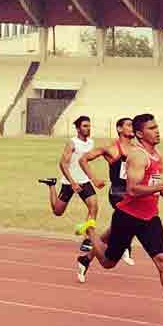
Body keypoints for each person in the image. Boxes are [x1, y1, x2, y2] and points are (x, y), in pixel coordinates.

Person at [75, 113, 163, 326]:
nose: (157, 131)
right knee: (107, 262)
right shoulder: (138, 156)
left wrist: (162, 192)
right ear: (140, 134)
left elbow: (148, 182)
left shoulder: (157, 155)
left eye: (157, 126)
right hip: (128, 217)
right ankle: (89, 231)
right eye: (152, 128)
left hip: (150, 217)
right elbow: (132, 190)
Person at [38, 116, 101, 280]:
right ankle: (51, 185)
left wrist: (93, 178)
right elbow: (63, 164)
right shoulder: (72, 143)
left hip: (84, 181)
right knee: (58, 211)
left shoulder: (91, 143)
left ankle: (88, 238)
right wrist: (72, 182)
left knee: (93, 206)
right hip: (69, 181)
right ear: (78, 128)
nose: (88, 128)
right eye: (85, 126)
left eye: (89, 126)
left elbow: (86, 163)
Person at [78, 117, 137, 269]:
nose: (132, 128)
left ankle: (87, 258)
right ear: (119, 129)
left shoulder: (138, 150)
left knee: (115, 228)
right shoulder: (110, 148)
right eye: (129, 125)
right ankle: (125, 247)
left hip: (132, 193)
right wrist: (94, 179)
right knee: (130, 219)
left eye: (133, 126)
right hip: (117, 192)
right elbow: (83, 159)